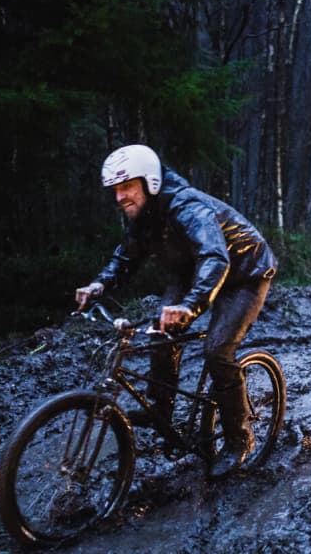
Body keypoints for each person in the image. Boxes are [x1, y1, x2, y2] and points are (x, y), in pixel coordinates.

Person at [75, 144, 277, 478]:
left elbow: (215, 257)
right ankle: (160, 409)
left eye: (126, 187)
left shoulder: (187, 206)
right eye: (115, 190)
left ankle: (240, 440)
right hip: (193, 273)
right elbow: (126, 257)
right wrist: (99, 285)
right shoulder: (145, 214)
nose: (120, 197)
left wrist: (189, 306)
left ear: (150, 182)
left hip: (244, 274)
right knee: (159, 332)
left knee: (217, 351)